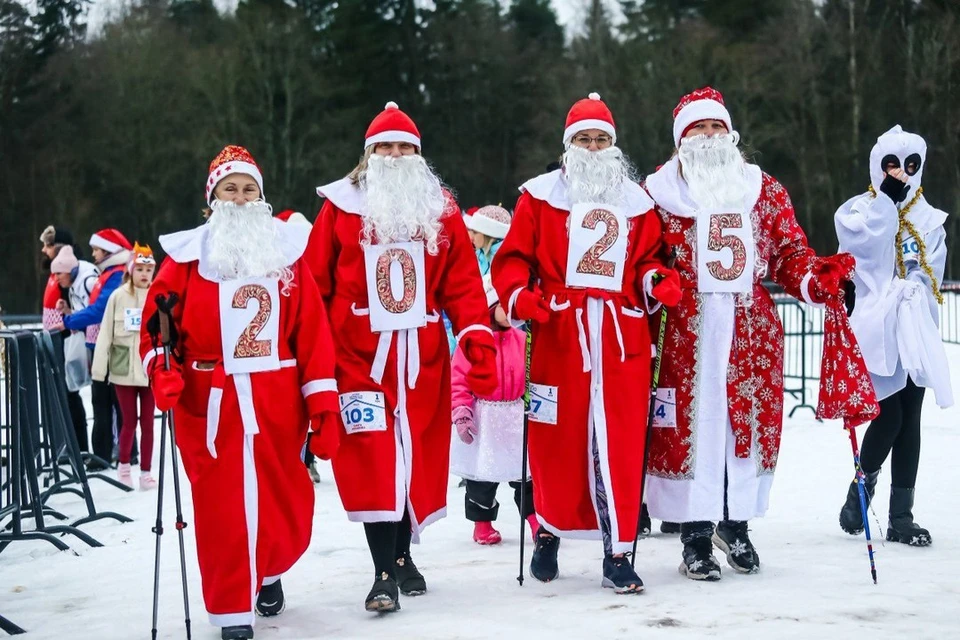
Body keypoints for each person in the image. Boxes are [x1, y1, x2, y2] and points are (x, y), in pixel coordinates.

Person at [641, 87, 862, 581]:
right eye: (698, 127)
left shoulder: (762, 188)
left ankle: (735, 524)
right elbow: (643, 257)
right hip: (685, 331)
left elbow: (787, 252)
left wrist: (816, 279)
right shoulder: (655, 194)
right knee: (690, 429)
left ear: (731, 132)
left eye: (717, 126)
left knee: (745, 427)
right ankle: (695, 534)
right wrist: (656, 281)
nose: (709, 135)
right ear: (681, 138)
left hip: (749, 330)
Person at [139, 145, 339, 640]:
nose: (242, 197)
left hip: (276, 402)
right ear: (212, 199)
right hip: (211, 405)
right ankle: (232, 610)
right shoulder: (185, 259)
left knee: (282, 498)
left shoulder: (286, 256)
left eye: (250, 189)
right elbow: (156, 328)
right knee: (221, 506)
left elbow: (311, 332)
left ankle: (267, 569)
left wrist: (323, 406)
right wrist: (162, 369)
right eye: (231, 188)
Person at [305, 101, 498, 613]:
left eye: (405, 147)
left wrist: (475, 332)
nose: (395, 154)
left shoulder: (443, 210)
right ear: (369, 154)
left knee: (412, 460)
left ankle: (403, 557)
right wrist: (315, 359)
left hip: (422, 361)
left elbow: (460, 282)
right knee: (372, 459)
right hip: (357, 359)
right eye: (385, 147)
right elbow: (313, 286)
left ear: (418, 155)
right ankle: (382, 572)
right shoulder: (339, 208)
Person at [491, 92, 681, 594]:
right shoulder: (538, 197)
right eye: (584, 138)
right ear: (568, 144)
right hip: (560, 334)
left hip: (621, 340)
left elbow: (648, 259)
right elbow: (512, 259)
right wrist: (520, 295)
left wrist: (656, 280)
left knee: (618, 441)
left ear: (613, 146)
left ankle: (619, 551)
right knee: (557, 439)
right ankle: (549, 529)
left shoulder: (637, 201)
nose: (593, 147)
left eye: (601, 139)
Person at [835, 126, 953, 547]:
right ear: (877, 166)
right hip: (876, 325)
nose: (900, 174)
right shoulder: (859, 211)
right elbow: (868, 260)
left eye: (909, 166)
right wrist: (887, 204)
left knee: (911, 419)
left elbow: (931, 270)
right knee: (889, 416)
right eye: (890, 165)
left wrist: (914, 291)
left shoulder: (930, 218)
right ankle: (859, 492)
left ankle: (902, 515)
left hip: (913, 326)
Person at [450, 265, 538, 546]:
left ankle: (536, 520)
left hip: (514, 415)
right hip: (485, 416)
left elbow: (533, 374)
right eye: (505, 305)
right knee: (483, 476)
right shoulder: (473, 344)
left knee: (525, 474)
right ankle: (483, 522)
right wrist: (462, 413)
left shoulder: (524, 340)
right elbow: (459, 381)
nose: (513, 313)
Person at [59, 229, 133, 469]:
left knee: (110, 402)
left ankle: (116, 453)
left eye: (97, 250)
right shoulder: (108, 274)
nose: (93, 254)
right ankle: (117, 451)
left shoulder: (116, 276)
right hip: (104, 345)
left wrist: (70, 321)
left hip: (114, 346)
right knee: (106, 401)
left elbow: (101, 309)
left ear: (109, 251)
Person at [92, 243, 158, 489]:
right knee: (128, 421)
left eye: (148, 270)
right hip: (122, 370)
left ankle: (147, 472)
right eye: (139, 268)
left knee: (149, 423)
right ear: (131, 270)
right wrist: (99, 371)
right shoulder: (118, 297)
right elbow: (105, 334)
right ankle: (123, 466)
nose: (144, 274)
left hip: (149, 371)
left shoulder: (157, 296)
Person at [40, 226, 90, 451]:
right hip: (54, 339)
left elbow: (76, 304)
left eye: (48, 245)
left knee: (70, 393)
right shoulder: (54, 273)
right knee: (62, 394)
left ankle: (78, 445)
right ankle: (67, 443)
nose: (44, 250)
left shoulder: (68, 274)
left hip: (64, 338)